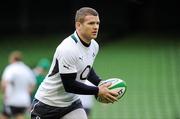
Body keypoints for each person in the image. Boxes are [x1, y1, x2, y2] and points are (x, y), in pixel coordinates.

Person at [30, 7, 119, 119]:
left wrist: (99, 83)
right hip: (47, 104)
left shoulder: (94, 46)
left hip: (71, 104)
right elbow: (69, 85)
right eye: (91, 23)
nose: (96, 27)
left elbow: (86, 69)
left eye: (97, 23)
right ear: (78, 25)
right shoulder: (68, 48)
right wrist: (97, 90)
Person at [0, 50, 36, 119]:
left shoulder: (10, 68)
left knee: (4, 116)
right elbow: (33, 85)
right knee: (19, 115)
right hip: (24, 100)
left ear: (13, 59)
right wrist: (27, 93)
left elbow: (4, 82)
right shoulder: (27, 69)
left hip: (11, 100)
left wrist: (3, 93)